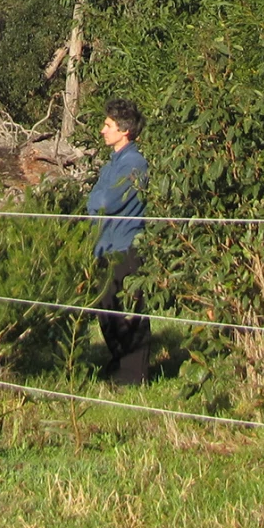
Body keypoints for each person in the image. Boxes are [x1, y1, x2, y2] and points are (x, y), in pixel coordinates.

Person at [86, 96, 152, 386]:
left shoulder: (134, 163)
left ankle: (133, 375)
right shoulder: (111, 164)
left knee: (130, 312)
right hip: (106, 245)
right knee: (106, 309)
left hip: (126, 246)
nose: (103, 130)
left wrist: (97, 200)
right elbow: (96, 199)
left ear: (124, 130)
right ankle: (117, 363)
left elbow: (104, 200)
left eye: (108, 125)